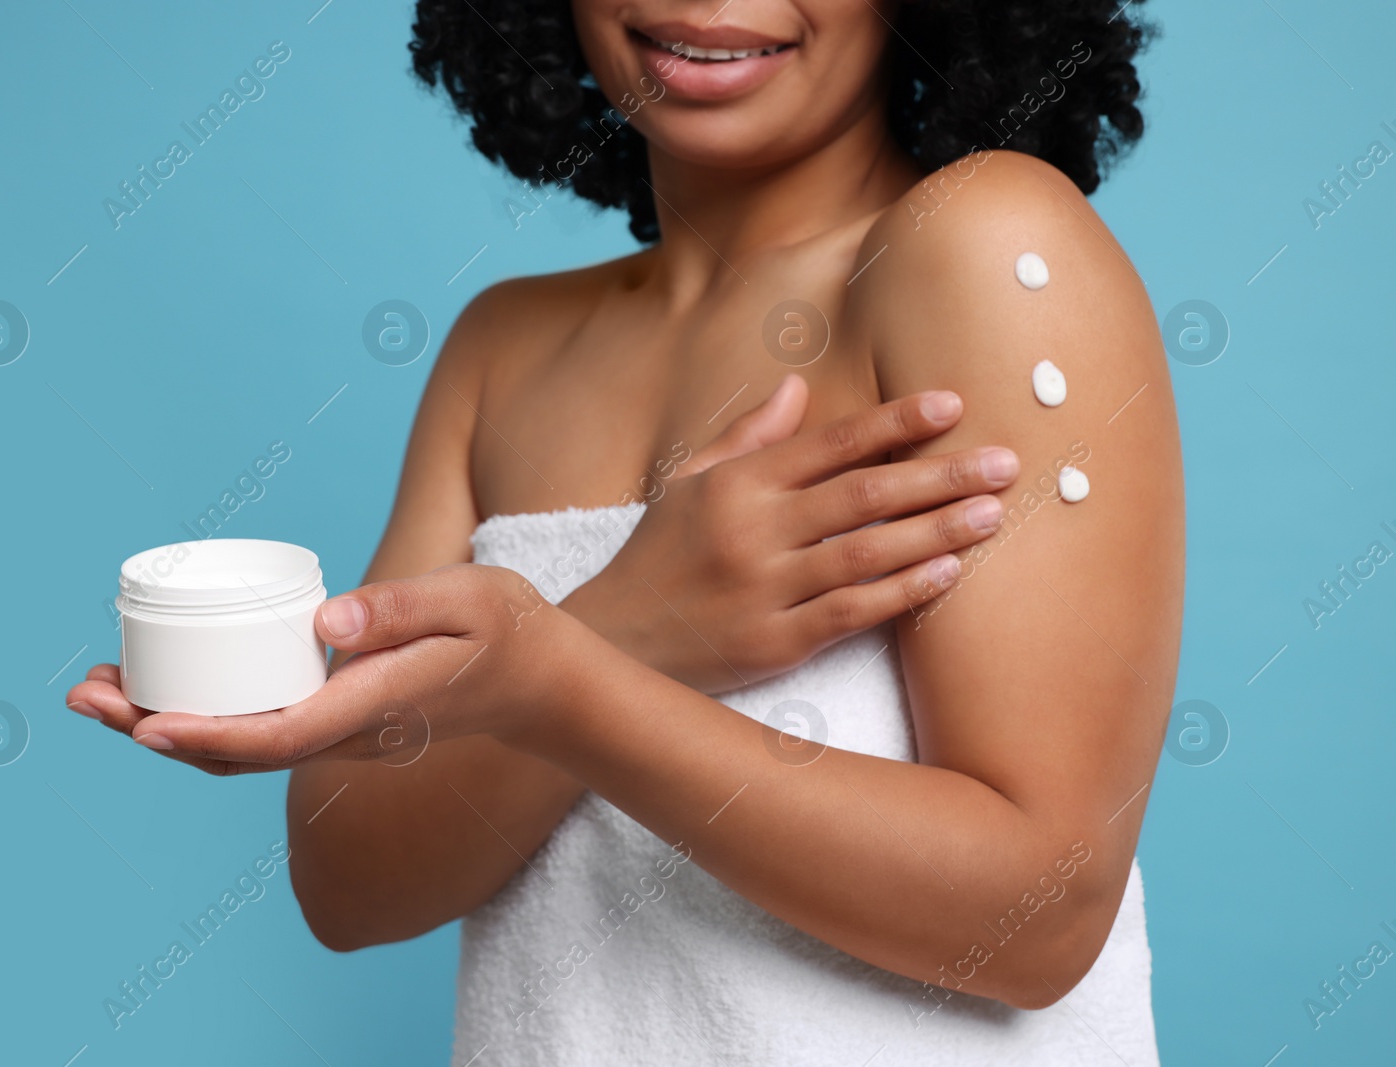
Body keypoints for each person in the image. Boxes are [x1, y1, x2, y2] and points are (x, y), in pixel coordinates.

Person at [68, 1, 1181, 1062]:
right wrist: (633, 621)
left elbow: (1041, 917)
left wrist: (567, 680)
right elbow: (348, 882)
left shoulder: (985, 242)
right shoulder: (502, 348)